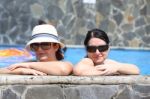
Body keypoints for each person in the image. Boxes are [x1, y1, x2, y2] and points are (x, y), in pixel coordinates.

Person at [0, 24, 73, 76]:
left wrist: (29, 65)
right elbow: (2, 70)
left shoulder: (66, 64)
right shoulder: (27, 65)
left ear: (56, 46)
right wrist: (21, 70)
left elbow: (63, 70)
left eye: (45, 44)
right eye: (35, 45)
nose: (39, 49)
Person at [73, 29, 140, 76]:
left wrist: (116, 67)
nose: (97, 52)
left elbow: (136, 70)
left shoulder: (108, 63)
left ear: (108, 48)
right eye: (92, 48)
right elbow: (78, 70)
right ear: (86, 49)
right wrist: (110, 71)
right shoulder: (87, 61)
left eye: (102, 48)